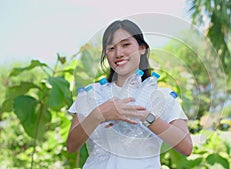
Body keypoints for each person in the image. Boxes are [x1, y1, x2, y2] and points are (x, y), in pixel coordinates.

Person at [66, 19, 193, 169]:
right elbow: (71, 146)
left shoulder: (162, 97)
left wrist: (145, 116)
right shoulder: (92, 94)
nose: (118, 53)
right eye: (111, 48)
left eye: (126, 45)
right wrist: (99, 114)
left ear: (142, 48)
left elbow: (186, 147)